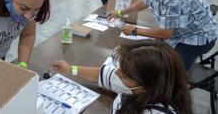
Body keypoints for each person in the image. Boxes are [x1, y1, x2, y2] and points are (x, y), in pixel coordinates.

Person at [109, 0, 218, 70]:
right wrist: (120, 12)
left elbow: (166, 33)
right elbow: (145, 1)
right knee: (152, 50)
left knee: (169, 72)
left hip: (196, 38)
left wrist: (134, 31)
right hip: (179, 32)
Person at [52, 40, 193, 114]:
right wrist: (70, 69)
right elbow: (101, 74)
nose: (117, 73)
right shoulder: (135, 86)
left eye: (125, 75)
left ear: (146, 85)